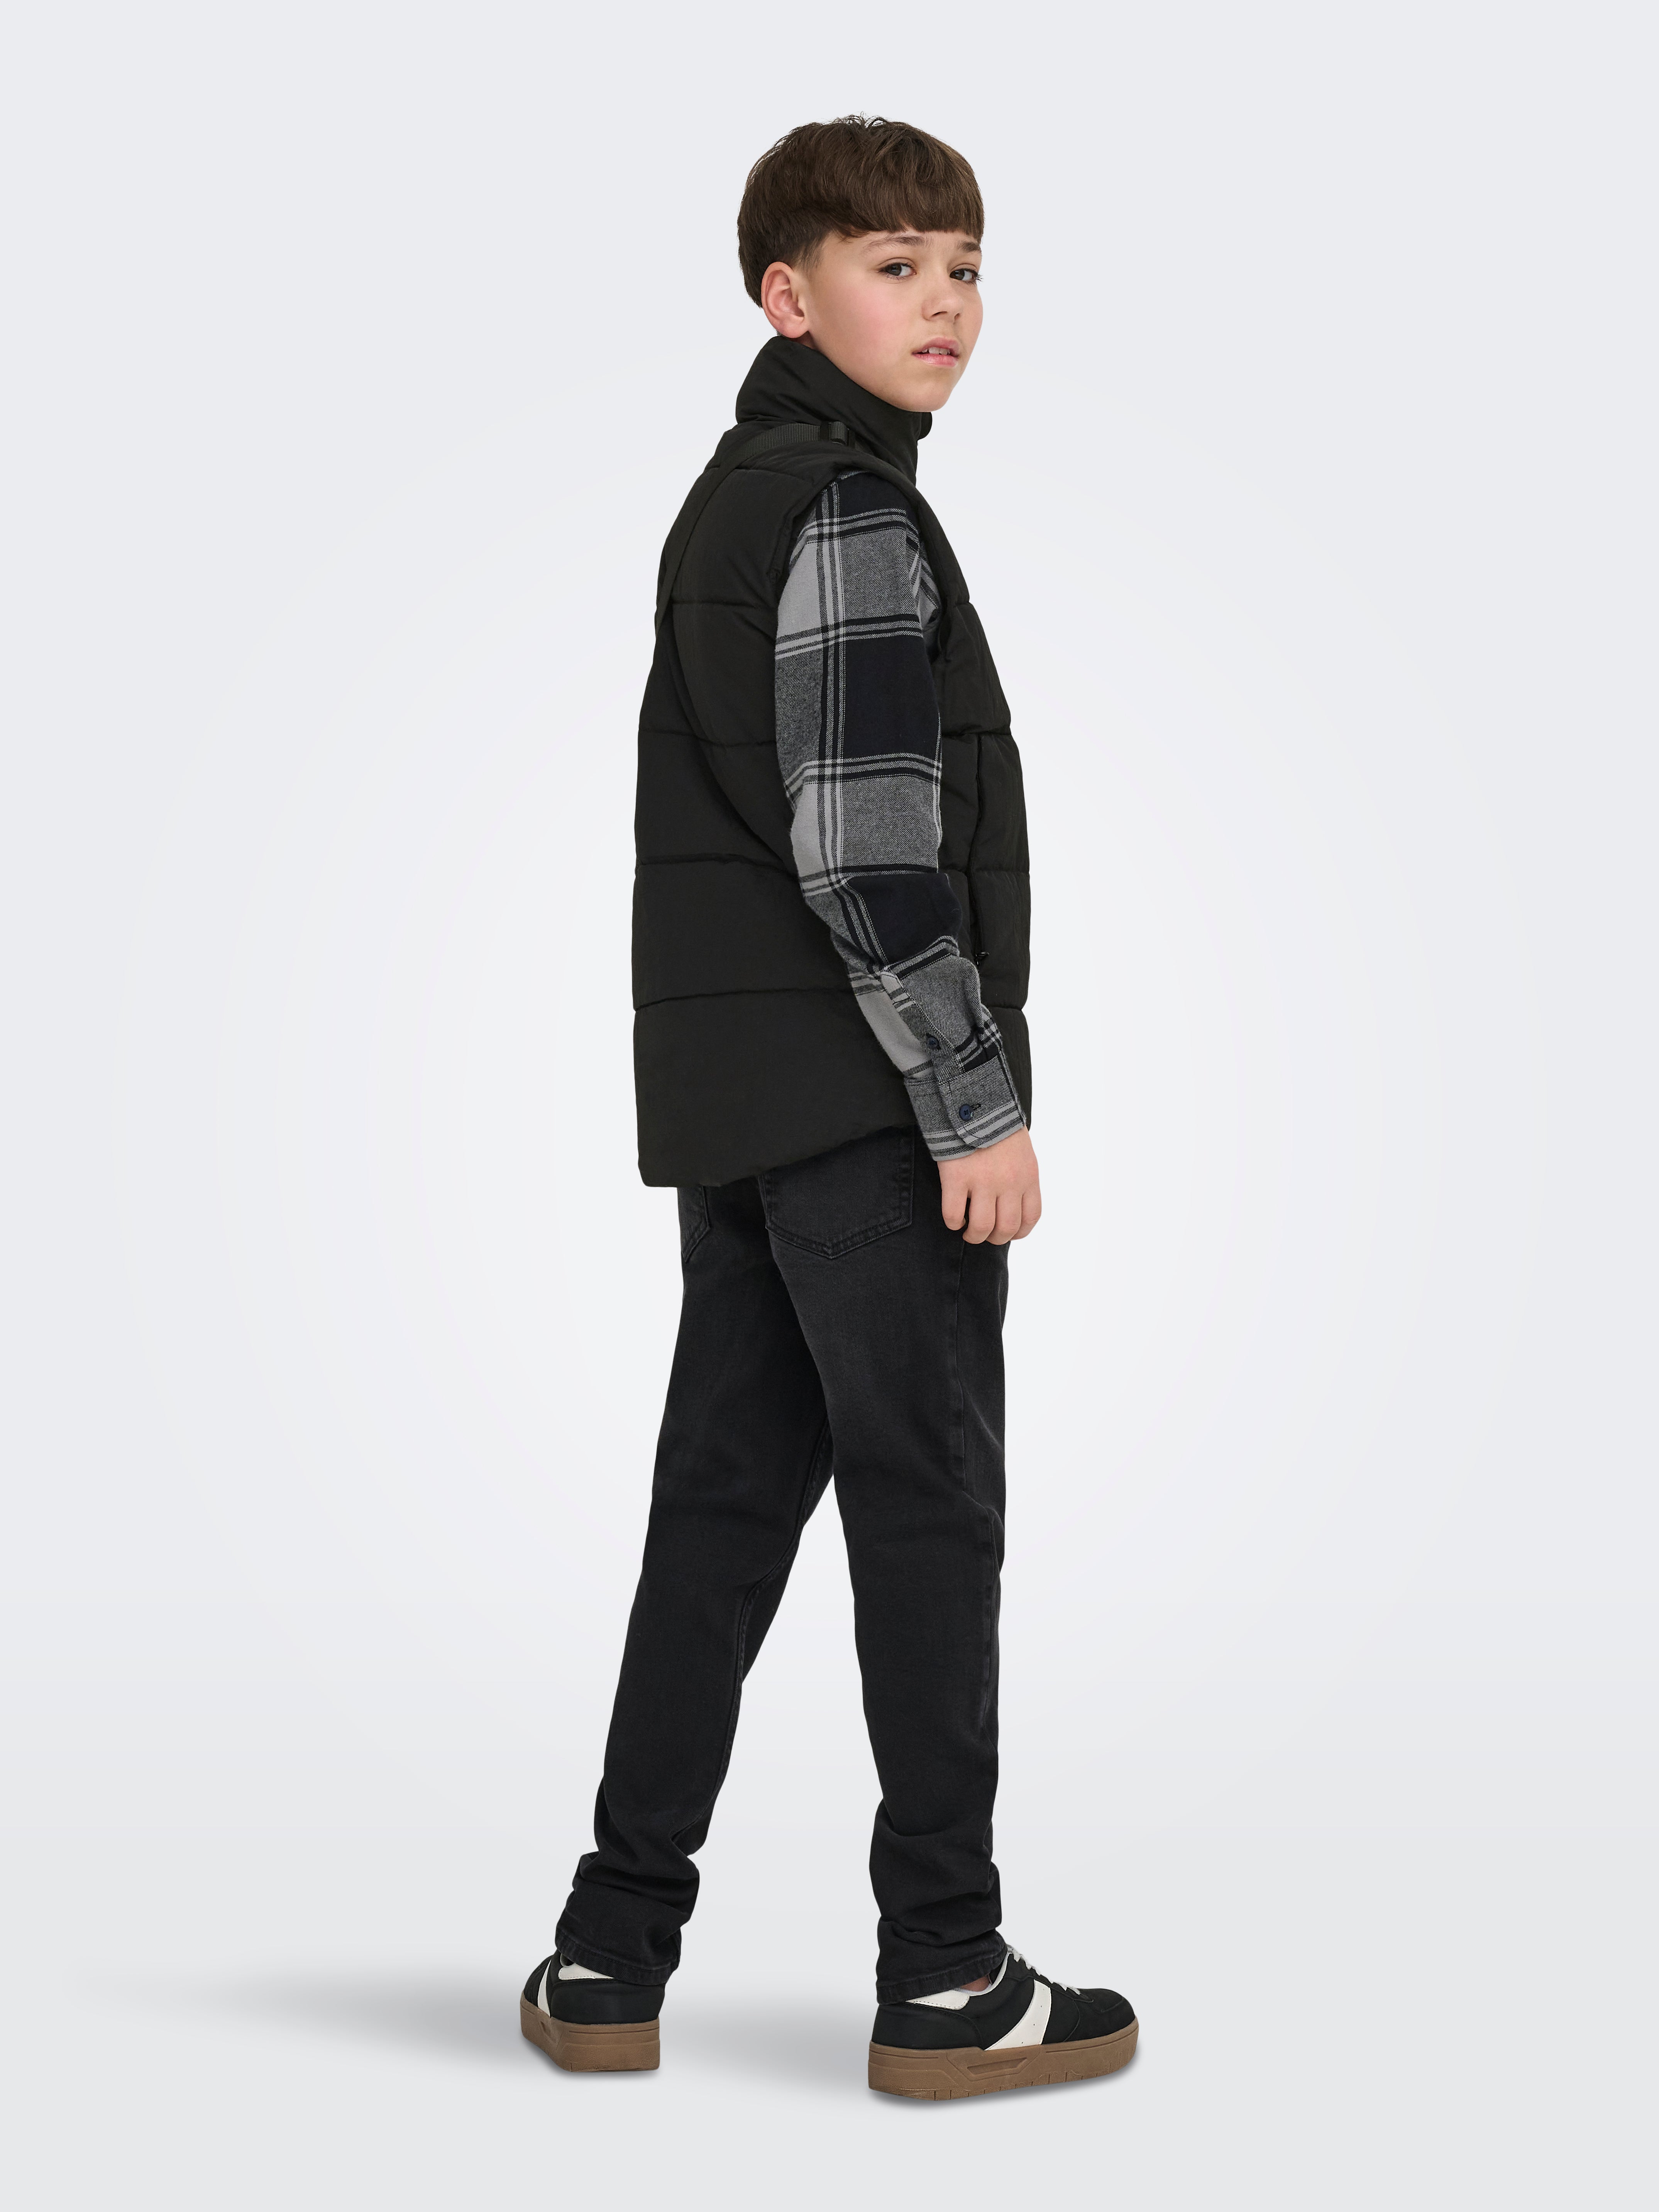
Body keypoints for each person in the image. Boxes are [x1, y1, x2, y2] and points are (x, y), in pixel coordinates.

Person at [520, 115, 1138, 2100]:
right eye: (894, 264)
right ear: (788, 297)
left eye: (965, 265)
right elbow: (867, 856)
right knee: (929, 1514)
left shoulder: (736, 498)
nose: (945, 302)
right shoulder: (850, 512)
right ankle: (945, 1973)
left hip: (747, 1115)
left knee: (716, 1517)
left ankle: (608, 1951)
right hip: (870, 1116)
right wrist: (972, 1103)